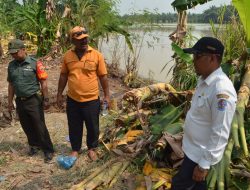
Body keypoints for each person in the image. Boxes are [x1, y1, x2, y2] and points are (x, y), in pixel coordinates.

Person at [171, 37, 237, 190]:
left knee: (180, 185)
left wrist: (203, 165)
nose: (193, 60)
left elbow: (220, 132)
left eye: (198, 56)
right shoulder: (204, 80)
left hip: (200, 157)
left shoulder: (221, 90)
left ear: (213, 58)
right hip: (192, 152)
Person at [57, 26, 110, 162]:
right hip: (73, 99)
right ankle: (75, 149)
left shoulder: (97, 55)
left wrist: (107, 95)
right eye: (80, 39)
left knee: (93, 126)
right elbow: (63, 75)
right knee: (74, 125)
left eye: (85, 38)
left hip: (91, 99)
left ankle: (92, 148)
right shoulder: (68, 55)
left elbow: (103, 77)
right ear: (73, 41)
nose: (84, 41)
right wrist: (59, 94)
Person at [7, 39, 54, 163]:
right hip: (20, 101)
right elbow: (11, 84)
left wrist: (46, 99)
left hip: (33, 99)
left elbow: (43, 82)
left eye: (16, 52)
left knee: (39, 125)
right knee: (26, 125)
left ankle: (48, 150)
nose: (14, 55)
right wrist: (10, 101)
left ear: (23, 50)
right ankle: (34, 146)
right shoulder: (11, 66)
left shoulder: (35, 63)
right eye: (12, 53)